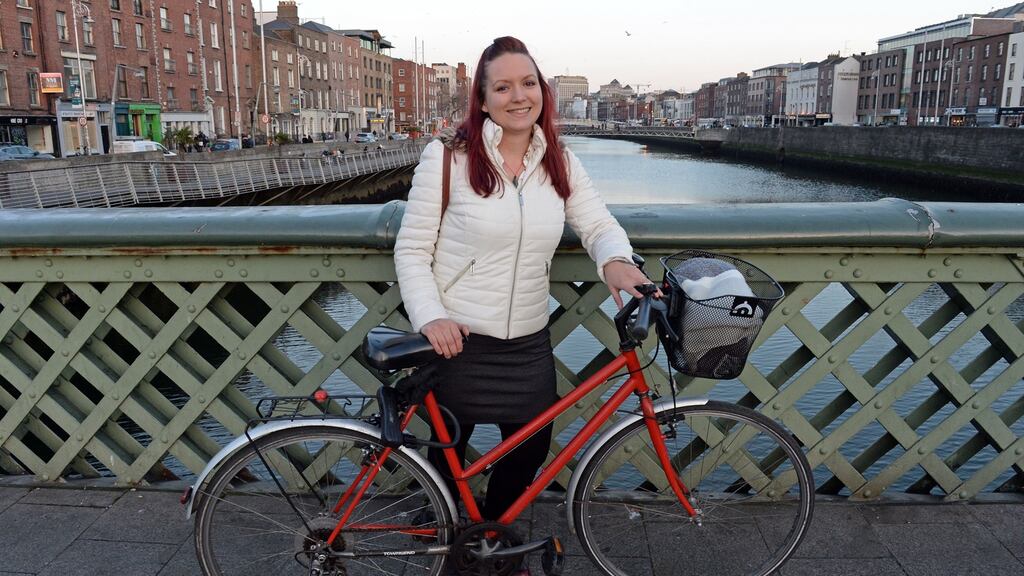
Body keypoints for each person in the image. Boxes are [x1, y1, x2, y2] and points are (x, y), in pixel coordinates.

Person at [393, 36, 653, 570]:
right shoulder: (447, 158)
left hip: (528, 341)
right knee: (447, 455)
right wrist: (431, 317)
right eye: (503, 86)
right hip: (456, 340)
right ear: (483, 100)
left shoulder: (558, 160)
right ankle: (452, 538)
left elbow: (597, 222)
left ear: (543, 92)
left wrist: (617, 261)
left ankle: (491, 534)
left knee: (529, 450)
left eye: (528, 83)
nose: (519, 96)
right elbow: (413, 249)